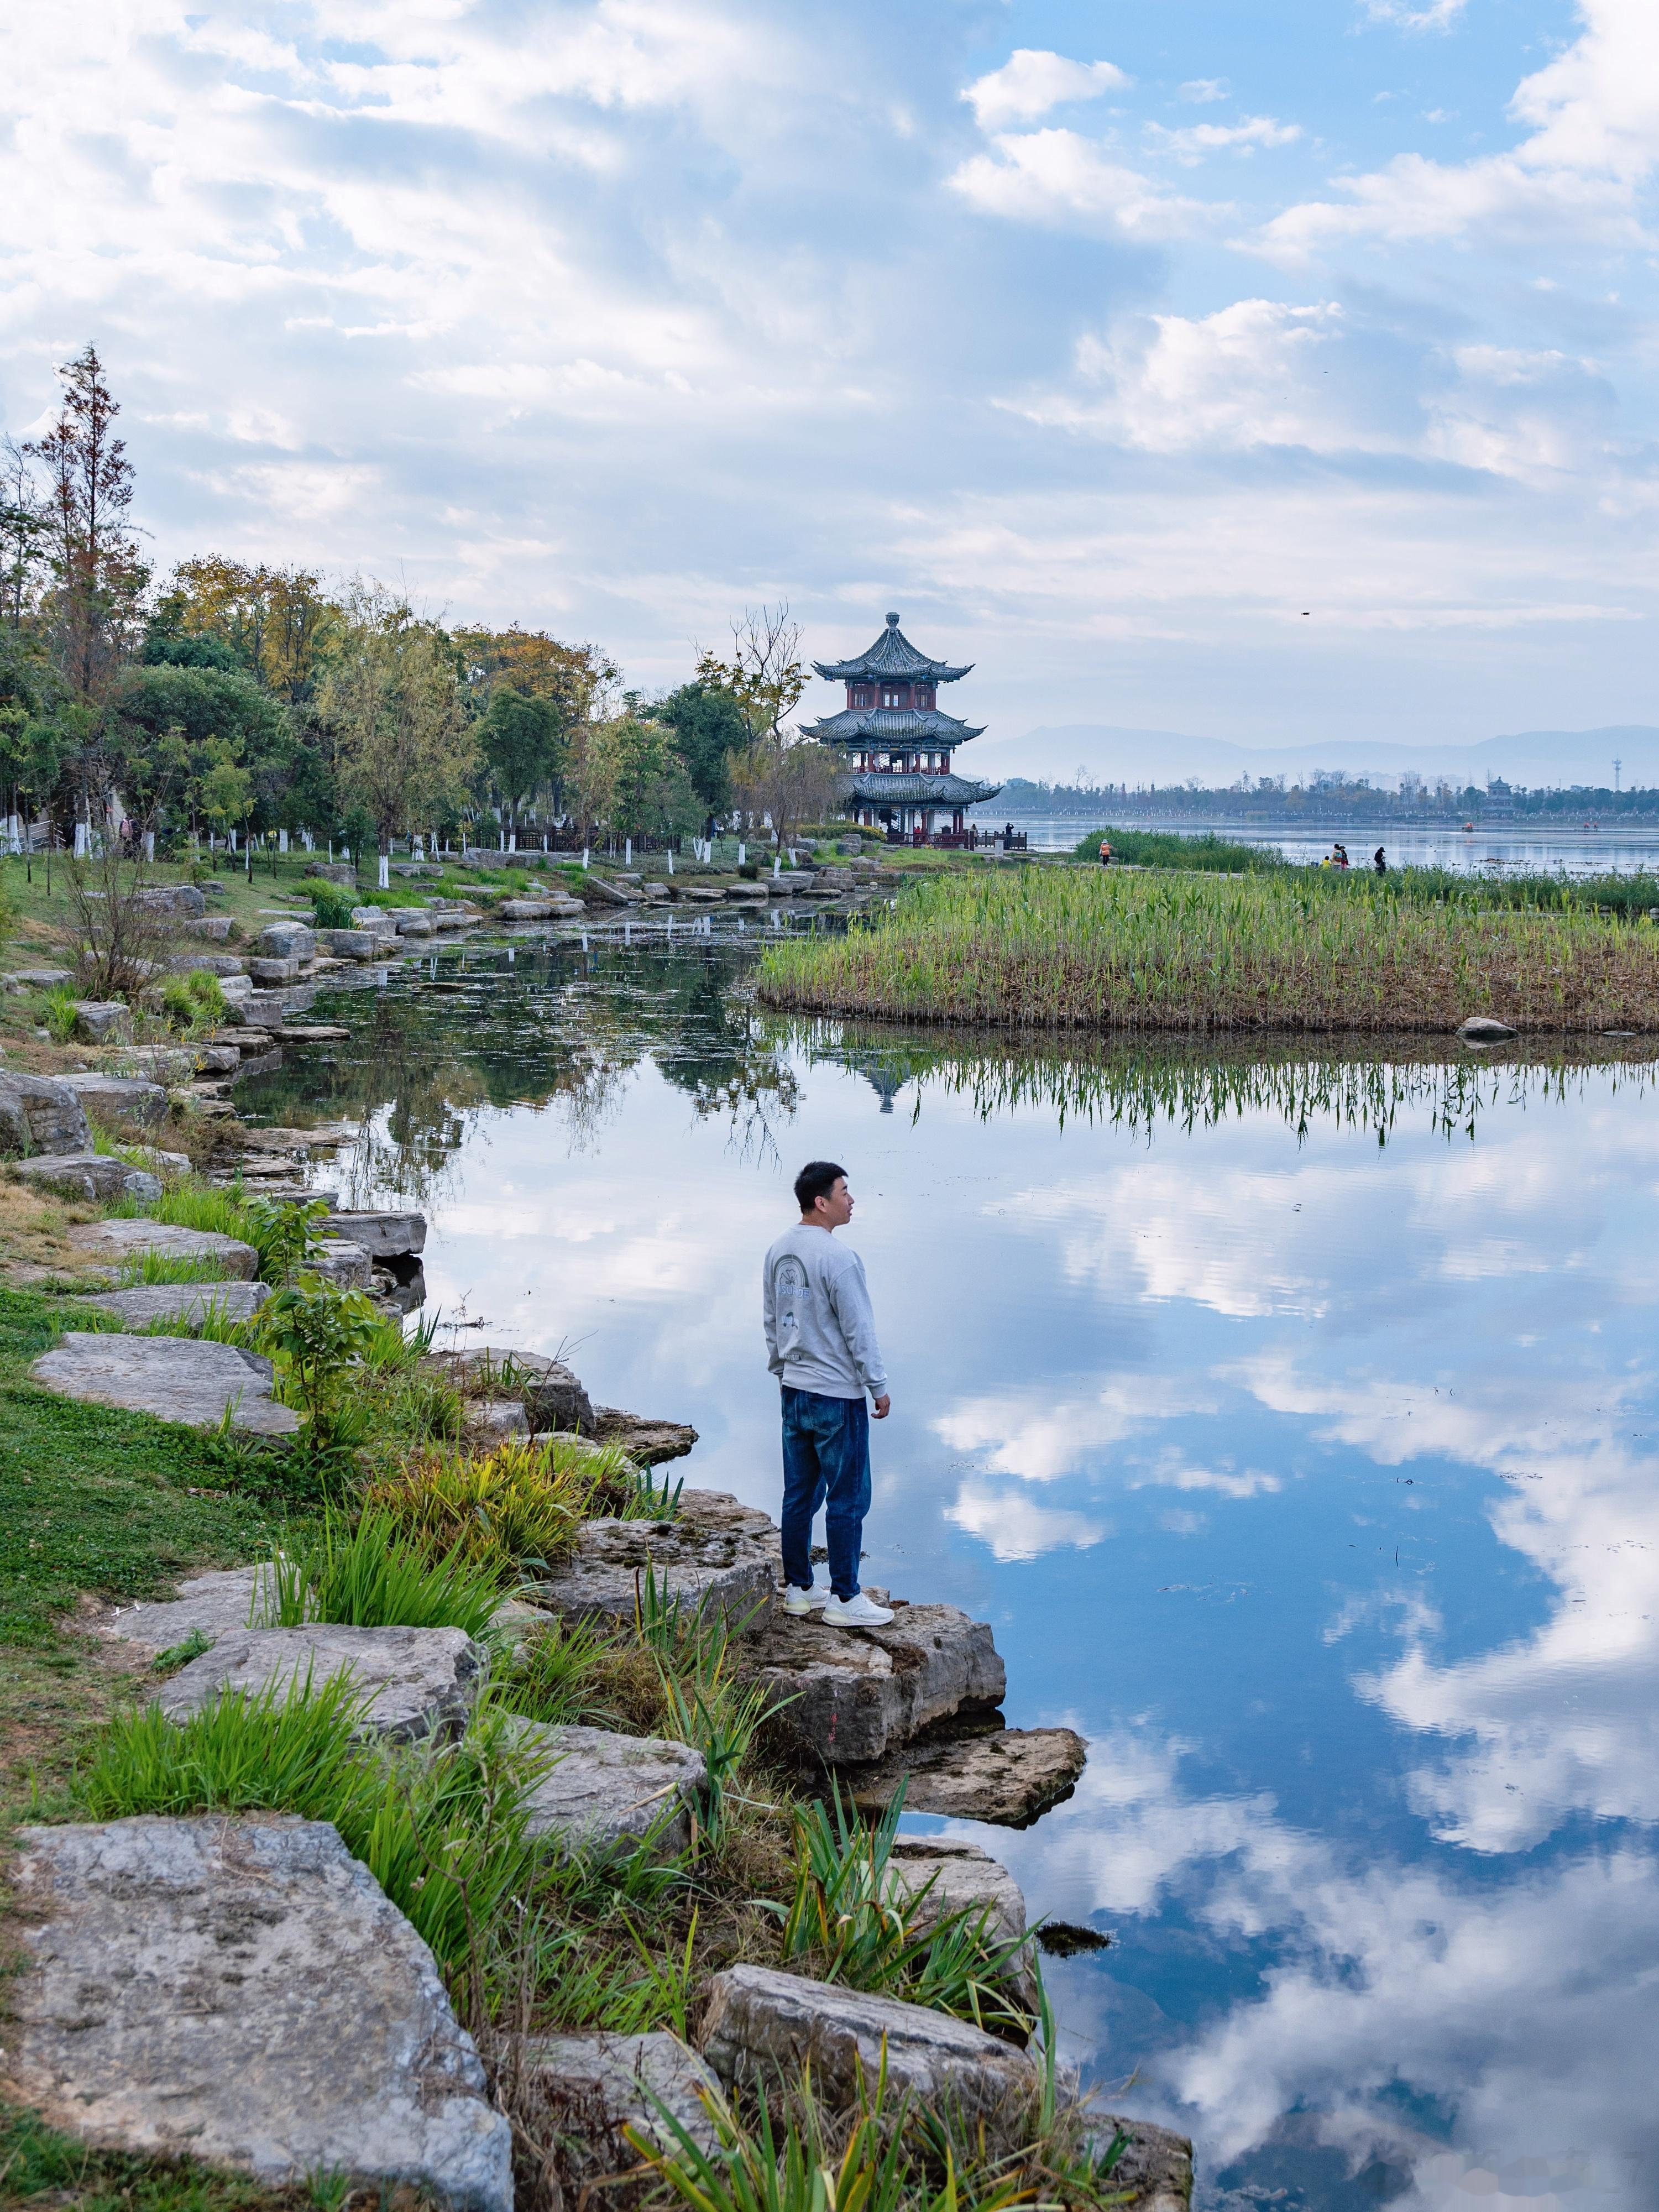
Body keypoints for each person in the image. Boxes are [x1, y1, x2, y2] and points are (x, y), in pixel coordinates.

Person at [763, 1160, 893, 1628]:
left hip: (794, 1390)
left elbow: (772, 1317)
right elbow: (860, 1330)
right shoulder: (839, 1258)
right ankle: (845, 1597)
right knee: (847, 1498)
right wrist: (877, 1385)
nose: (851, 1200)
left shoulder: (779, 1249)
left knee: (799, 1493)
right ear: (821, 1202)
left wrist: (781, 1370)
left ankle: (799, 1589)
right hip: (836, 1396)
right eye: (844, 1192)